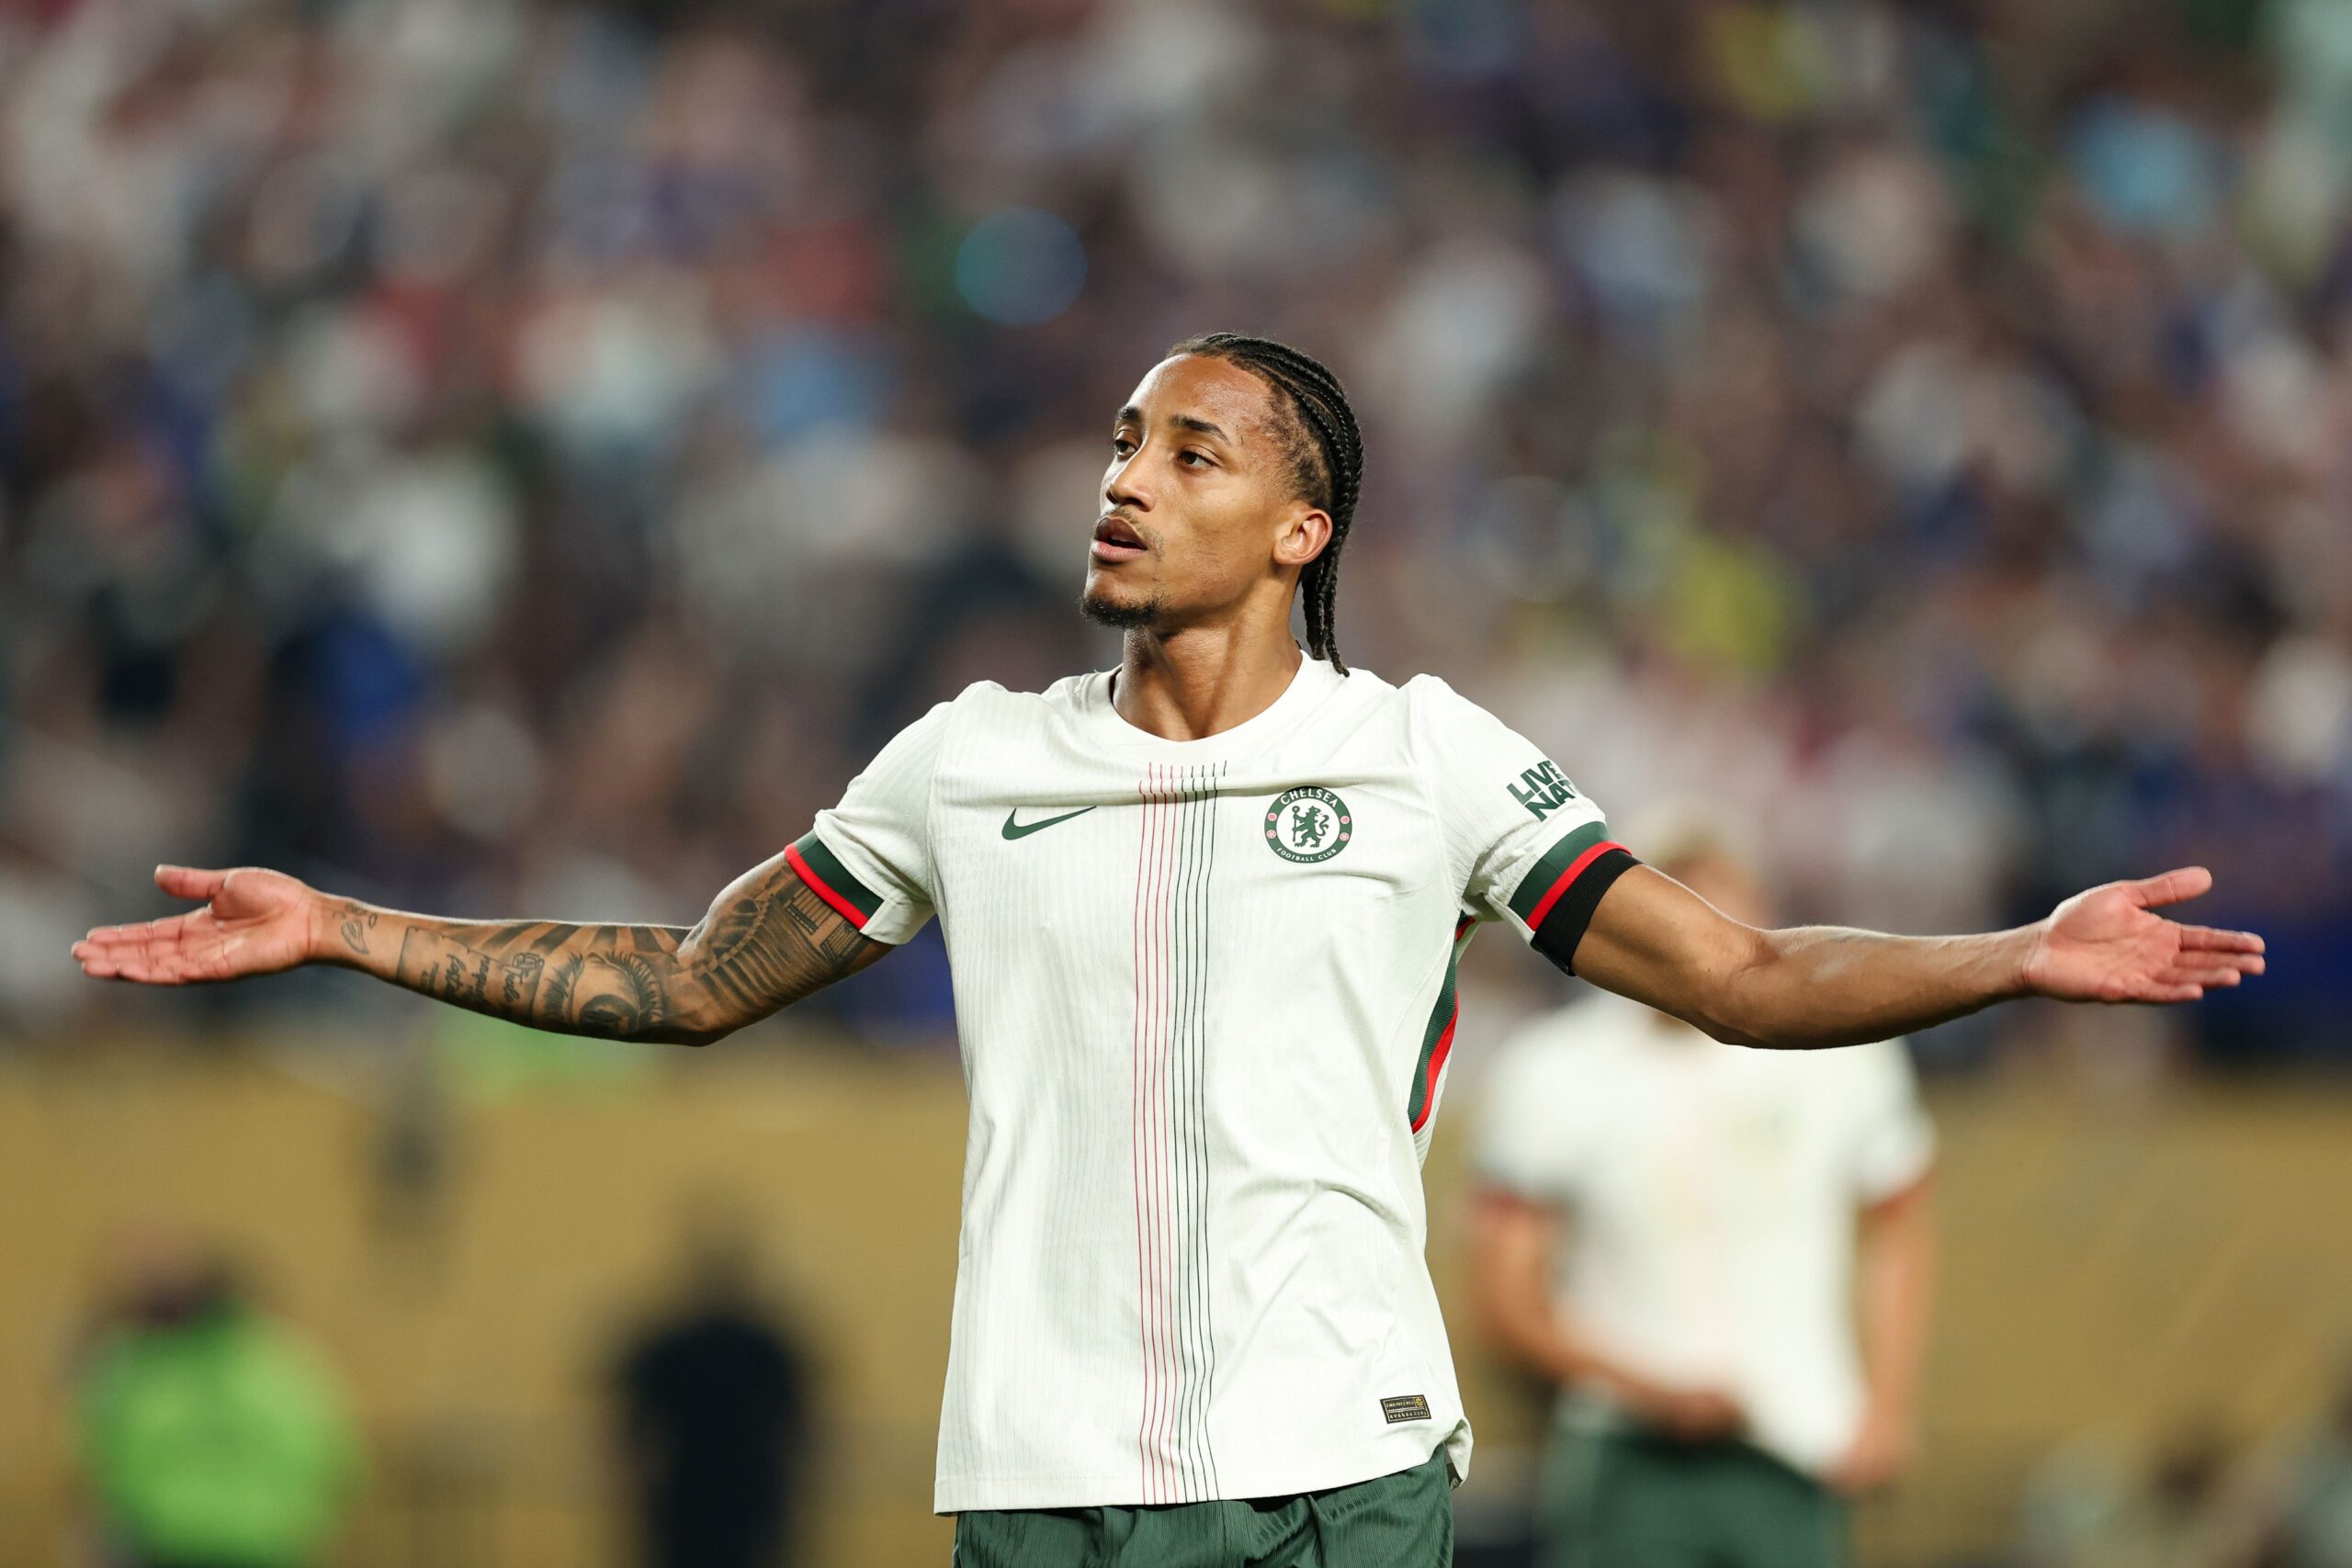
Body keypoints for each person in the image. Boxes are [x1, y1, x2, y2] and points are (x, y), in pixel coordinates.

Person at [72, 334, 2267, 1567]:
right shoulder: (964, 760)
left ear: (1298, 527)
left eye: (1187, 450)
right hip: (1034, 1479)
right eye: (1121, 440)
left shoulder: (1421, 754)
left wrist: (2013, 952)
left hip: (1334, 1462)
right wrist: (339, 923)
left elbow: (1743, 973)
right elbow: (684, 978)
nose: (1122, 477)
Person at [1469, 808, 1937, 1568]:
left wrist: (1886, 1405)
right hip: (1625, 1453)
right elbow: (1507, 1299)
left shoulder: (1840, 1051)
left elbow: (1902, 1226)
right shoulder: (1554, 1070)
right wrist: (1648, 1388)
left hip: (1799, 1443)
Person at [75, 1250, 358, 1568]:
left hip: (166, 1546)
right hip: (270, 1546)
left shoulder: (147, 1371)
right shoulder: (293, 1372)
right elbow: (339, 1463)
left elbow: (99, 1461)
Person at [612, 1211, 818, 1568]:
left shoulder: (673, 1346)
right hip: (743, 1496)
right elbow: (799, 1429)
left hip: (689, 1497)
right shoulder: (765, 1349)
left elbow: (632, 1431)